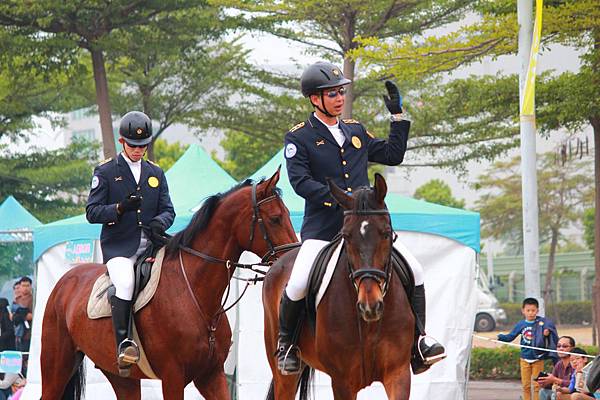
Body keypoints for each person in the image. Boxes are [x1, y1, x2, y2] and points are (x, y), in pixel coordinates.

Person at [277, 60, 445, 376]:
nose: (339, 98)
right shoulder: (299, 137)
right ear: (315, 98)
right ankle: (286, 345)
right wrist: (343, 200)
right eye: (332, 93)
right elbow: (301, 182)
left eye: (341, 92)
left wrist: (398, 116)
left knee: (416, 269)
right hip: (323, 228)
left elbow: (393, 155)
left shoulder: (354, 130)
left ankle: (420, 341)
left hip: (366, 230)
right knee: (297, 282)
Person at [86, 111, 175, 375]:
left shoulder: (155, 172)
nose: (138, 150)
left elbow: (168, 210)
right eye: (133, 145)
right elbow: (92, 212)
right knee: (125, 282)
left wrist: (160, 221)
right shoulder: (105, 171)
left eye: (143, 145)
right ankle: (124, 345)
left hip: (153, 244)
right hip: (120, 247)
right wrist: (119, 208)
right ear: (122, 141)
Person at [498, 297, 552, 400]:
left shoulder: (541, 323)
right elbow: (510, 337)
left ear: (537, 310)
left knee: (537, 385)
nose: (531, 313)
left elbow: (549, 336)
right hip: (524, 359)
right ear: (523, 311)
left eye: (533, 310)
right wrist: (500, 337)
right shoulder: (521, 324)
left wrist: (546, 334)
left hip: (538, 358)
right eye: (528, 310)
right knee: (526, 385)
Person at [539, 336, 576, 400]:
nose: (561, 349)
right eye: (558, 346)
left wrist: (555, 380)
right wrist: (545, 382)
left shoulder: (576, 363)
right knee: (543, 392)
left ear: (572, 348)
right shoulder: (559, 364)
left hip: (572, 393)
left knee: (558, 394)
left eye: (564, 346)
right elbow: (553, 381)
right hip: (560, 392)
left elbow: (575, 385)